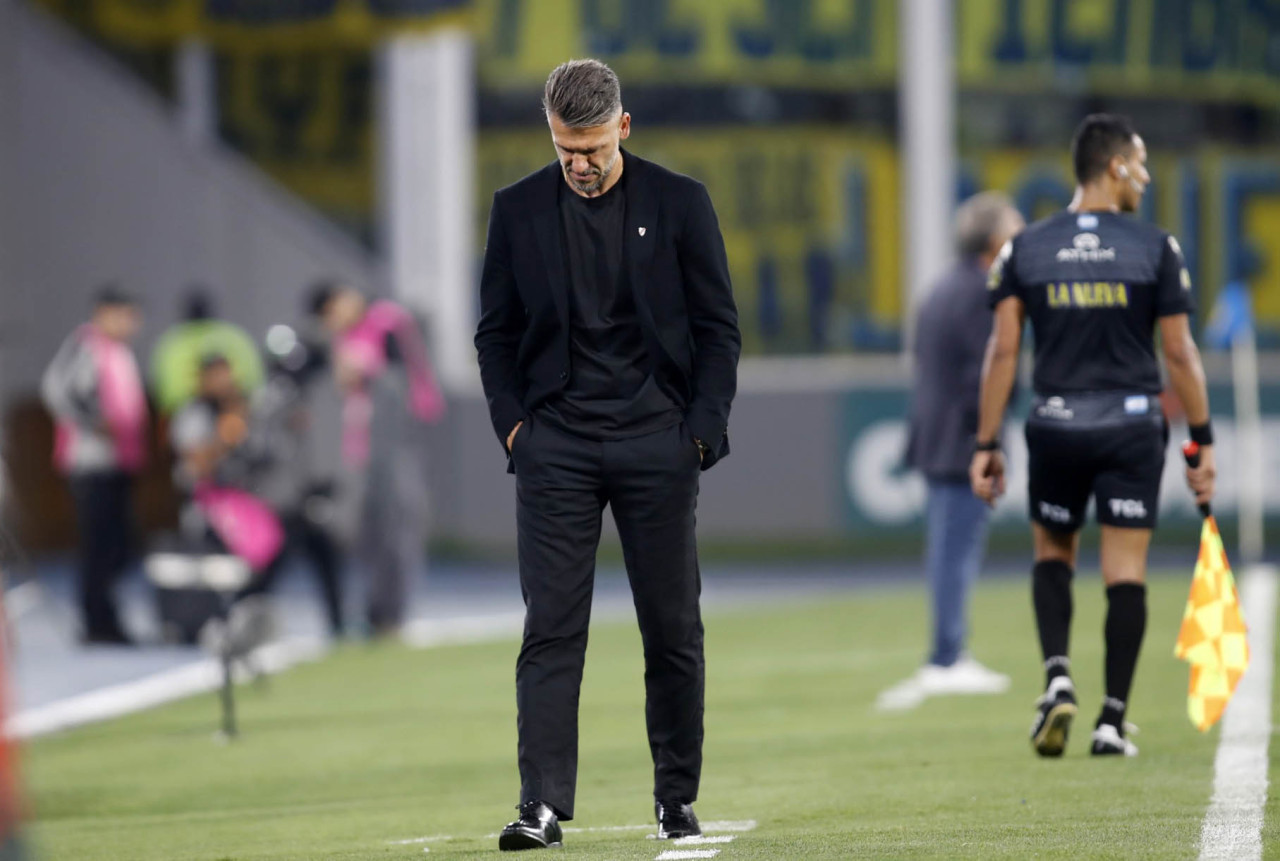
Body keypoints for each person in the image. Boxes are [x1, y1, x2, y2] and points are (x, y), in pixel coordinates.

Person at [475, 59, 740, 850]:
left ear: (623, 127)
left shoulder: (681, 202)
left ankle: (675, 798)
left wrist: (699, 432)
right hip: (556, 445)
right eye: (566, 152)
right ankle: (542, 806)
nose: (581, 166)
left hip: (658, 441)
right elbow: (494, 333)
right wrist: (516, 429)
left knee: (671, 626)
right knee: (550, 627)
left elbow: (719, 328)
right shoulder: (517, 210)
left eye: (592, 148)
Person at [971, 114, 1216, 758]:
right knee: (1123, 569)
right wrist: (1202, 440)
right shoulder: (1154, 247)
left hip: (1055, 423)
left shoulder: (1025, 248)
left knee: (1053, 554)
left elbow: (1002, 353)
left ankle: (1057, 679)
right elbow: (1180, 354)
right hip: (1133, 424)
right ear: (1114, 168)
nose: (1146, 174)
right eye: (1140, 162)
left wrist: (986, 444)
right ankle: (1111, 721)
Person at [881, 193, 1024, 711]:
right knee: (954, 552)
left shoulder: (946, 285)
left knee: (950, 550)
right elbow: (981, 377)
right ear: (994, 242)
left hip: (940, 435)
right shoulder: (982, 291)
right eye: (1014, 230)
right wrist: (987, 443)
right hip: (962, 440)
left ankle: (948, 653)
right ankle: (946, 657)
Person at [309, 282, 444, 635]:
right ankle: (374, 609)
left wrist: (364, 371)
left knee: (397, 528)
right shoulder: (346, 338)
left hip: (397, 442)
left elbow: (406, 376)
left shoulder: (386, 321)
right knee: (366, 533)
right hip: (363, 449)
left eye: (332, 310)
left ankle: (391, 614)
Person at [41, 286, 148, 645]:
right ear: (103, 313)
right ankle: (97, 622)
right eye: (125, 315)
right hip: (92, 463)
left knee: (121, 547)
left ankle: (105, 615)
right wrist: (93, 420)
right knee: (100, 547)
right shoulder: (87, 344)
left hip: (119, 461)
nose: (132, 323)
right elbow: (56, 388)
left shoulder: (119, 351)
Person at [151, 287, 265, 415]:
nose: (218, 379)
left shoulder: (171, 343)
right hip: (187, 413)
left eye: (222, 371)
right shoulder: (234, 337)